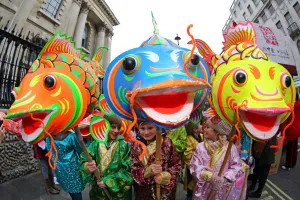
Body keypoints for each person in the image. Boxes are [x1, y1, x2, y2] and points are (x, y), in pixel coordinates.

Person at [80, 114, 133, 200]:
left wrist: (107, 181)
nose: (116, 131)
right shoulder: (95, 144)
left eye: (118, 128)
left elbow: (128, 171)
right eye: (113, 127)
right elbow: (84, 159)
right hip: (98, 191)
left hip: (119, 194)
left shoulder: (125, 146)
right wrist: (87, 166)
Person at [190, 115, 242, 199]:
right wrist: (210, 176)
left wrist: (225, 178)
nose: (204, 129)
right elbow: (194, 166)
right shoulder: (200, 147)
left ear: (217, 131)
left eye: (207, 127)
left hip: (220, 190)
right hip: (202, 190)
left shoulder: (230, 148)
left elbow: (236, 166)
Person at [131, 122, 181, 200]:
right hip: (143, 193)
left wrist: (166, 176)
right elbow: (132, 168)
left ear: (157, 127)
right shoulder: (135, 145)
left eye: (150, 128)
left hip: (163, 192)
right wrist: (148, 171)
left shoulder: (167, 143)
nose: (146, 132)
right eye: (142, 128)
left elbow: (176, 165)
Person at [45, 131, 85, 200]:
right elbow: (80, 149)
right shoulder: (71, 136)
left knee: (70, 188)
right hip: (73, 167)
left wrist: (57, 165)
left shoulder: (49, 138)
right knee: (76, 190)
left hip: (60, 168)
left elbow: (51, 154)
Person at [183, 121, 203, 200]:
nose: (202, 126)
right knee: (191, 190)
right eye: (199, 125)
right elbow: (187, 156)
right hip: (192, 169)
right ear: (195, 129)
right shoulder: (189, 139)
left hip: (201, 168)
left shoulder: (202, 136)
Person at [281, 92, 300, 170]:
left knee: (290, 148)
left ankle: (288, 165)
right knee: (294, 147)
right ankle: (293, 163)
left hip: (291, 129)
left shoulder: (291, 106)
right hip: (298, 128)